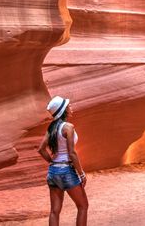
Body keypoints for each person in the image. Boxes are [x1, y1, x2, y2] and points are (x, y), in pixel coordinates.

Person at [39, 96, 88, 226]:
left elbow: (41, 149)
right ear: (63, 110)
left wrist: (52, 162)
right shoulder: (68, 127)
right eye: (68, 106)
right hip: (66, 170)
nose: (70, 107)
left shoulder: (51, 128)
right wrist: (81, 173)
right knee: (83, 206)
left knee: (55, 211)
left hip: (53, 171)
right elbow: (72, 153)